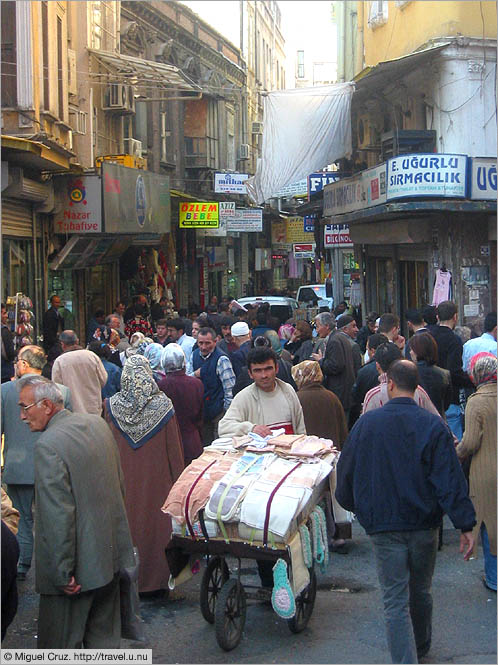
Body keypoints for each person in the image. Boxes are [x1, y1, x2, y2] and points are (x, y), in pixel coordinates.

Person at [336, 360, 476, 664]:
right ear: (417, 388)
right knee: (421, 589)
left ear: (389, 384)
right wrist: (465, 524)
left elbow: (345, 470)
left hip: (383, 523)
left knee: (394, 599)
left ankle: (406, 659)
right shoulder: (433, 426)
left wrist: (355, 506)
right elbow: (449, 479)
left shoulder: (368, 424)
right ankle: (422, 645)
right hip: (424, 523)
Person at [18, 375, 134, 648]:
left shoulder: (49, 446)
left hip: (76, 574)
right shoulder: (97, 425)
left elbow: (57, 516)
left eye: (25, 407)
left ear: (47, 405)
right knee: (104, 644)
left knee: (59, 649)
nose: (22, 416)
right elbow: (118, 486)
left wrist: (62, 572)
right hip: (109, 558)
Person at [104, 355, 184, 594]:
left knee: (127, 528)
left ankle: (128, 580)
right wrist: (179, 485)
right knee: (157, 531)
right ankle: (157, 581)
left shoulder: (111, 407)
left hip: (122, 483)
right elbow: (175, 453)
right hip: (158, 485)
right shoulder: (163, 407)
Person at [2, 345, 72, 580]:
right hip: (51, 465)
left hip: (17, 465)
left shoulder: (5, 391)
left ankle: (22, 565)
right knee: (51, 516)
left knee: (21, 517)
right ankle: (54, 567)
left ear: (23, 364)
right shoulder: (61, 390)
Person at [456, 352, 497, 592]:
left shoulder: (476, 401)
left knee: (490, 525)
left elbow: (470, 442)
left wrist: (457, 453)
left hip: (486, 472)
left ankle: (494, 577)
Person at [218, 346, 306, 438]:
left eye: (268, 369)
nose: (264, 375)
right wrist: (251, 428)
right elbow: (224, 427)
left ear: (276, 369)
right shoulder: (243, 397)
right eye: (258, 371)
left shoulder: (288, 391)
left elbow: (300, 429)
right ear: (250, 374)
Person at [429, 301, 473, 439]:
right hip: (449, 399)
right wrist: (472, 380)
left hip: (429, 394)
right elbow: (454, 371)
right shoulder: (454, 340)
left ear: (437, 317)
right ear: (455, 317)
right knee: (454, 441)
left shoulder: (428, 336)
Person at [363, 342, 440, 417]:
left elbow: (364, 426)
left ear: (378, 366)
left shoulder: (373, 395)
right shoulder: (417, 390)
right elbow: (437, 420)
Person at [159, 344, 204, 467]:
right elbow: (200, 415)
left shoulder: (160, 386)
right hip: (193, 439)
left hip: (170, 443)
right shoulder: (196, 384)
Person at [193, 327, 235, 444]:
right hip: (203, 412)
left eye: (207, 343)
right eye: (201, 343)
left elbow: (229, 388)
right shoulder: (194, 355)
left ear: (215, 342)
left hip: (218, 412)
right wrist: (195, 374)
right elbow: (188, 377)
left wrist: (226, 413)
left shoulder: (222, 359)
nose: (204, 347)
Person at [312, 312, 355, 421]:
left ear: (326, 326)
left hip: (340, 391)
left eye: (318, 326)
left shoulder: (334, 340)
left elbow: (336, 366)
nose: (316, 331)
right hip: (345, 390)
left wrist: (321, 361)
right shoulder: (340, 337)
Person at [52, 330, 107, 414]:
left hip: (72, 412)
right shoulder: (91, 356)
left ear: (62, 344)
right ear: (77, 341)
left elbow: (58, 389)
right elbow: (103, 379)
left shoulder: (59, 361)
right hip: (93, 408)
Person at [408, 332, 451, 417]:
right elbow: (446, 404)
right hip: (438, 419)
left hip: (415, 418)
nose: (410, 352)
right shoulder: (444, 374)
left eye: (412, 349)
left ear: (418, 351)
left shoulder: (408, 373)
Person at [350, 333, 389, 426]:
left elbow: (356, 396)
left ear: (372, 351)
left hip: (369, 415)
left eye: (367, 349)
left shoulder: (365, 371)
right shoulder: (398, 366)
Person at [1, 303, 16, 383]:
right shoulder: (4, 331)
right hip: (4, 373)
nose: (6, 316)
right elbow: (9, 354)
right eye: (3, 313)